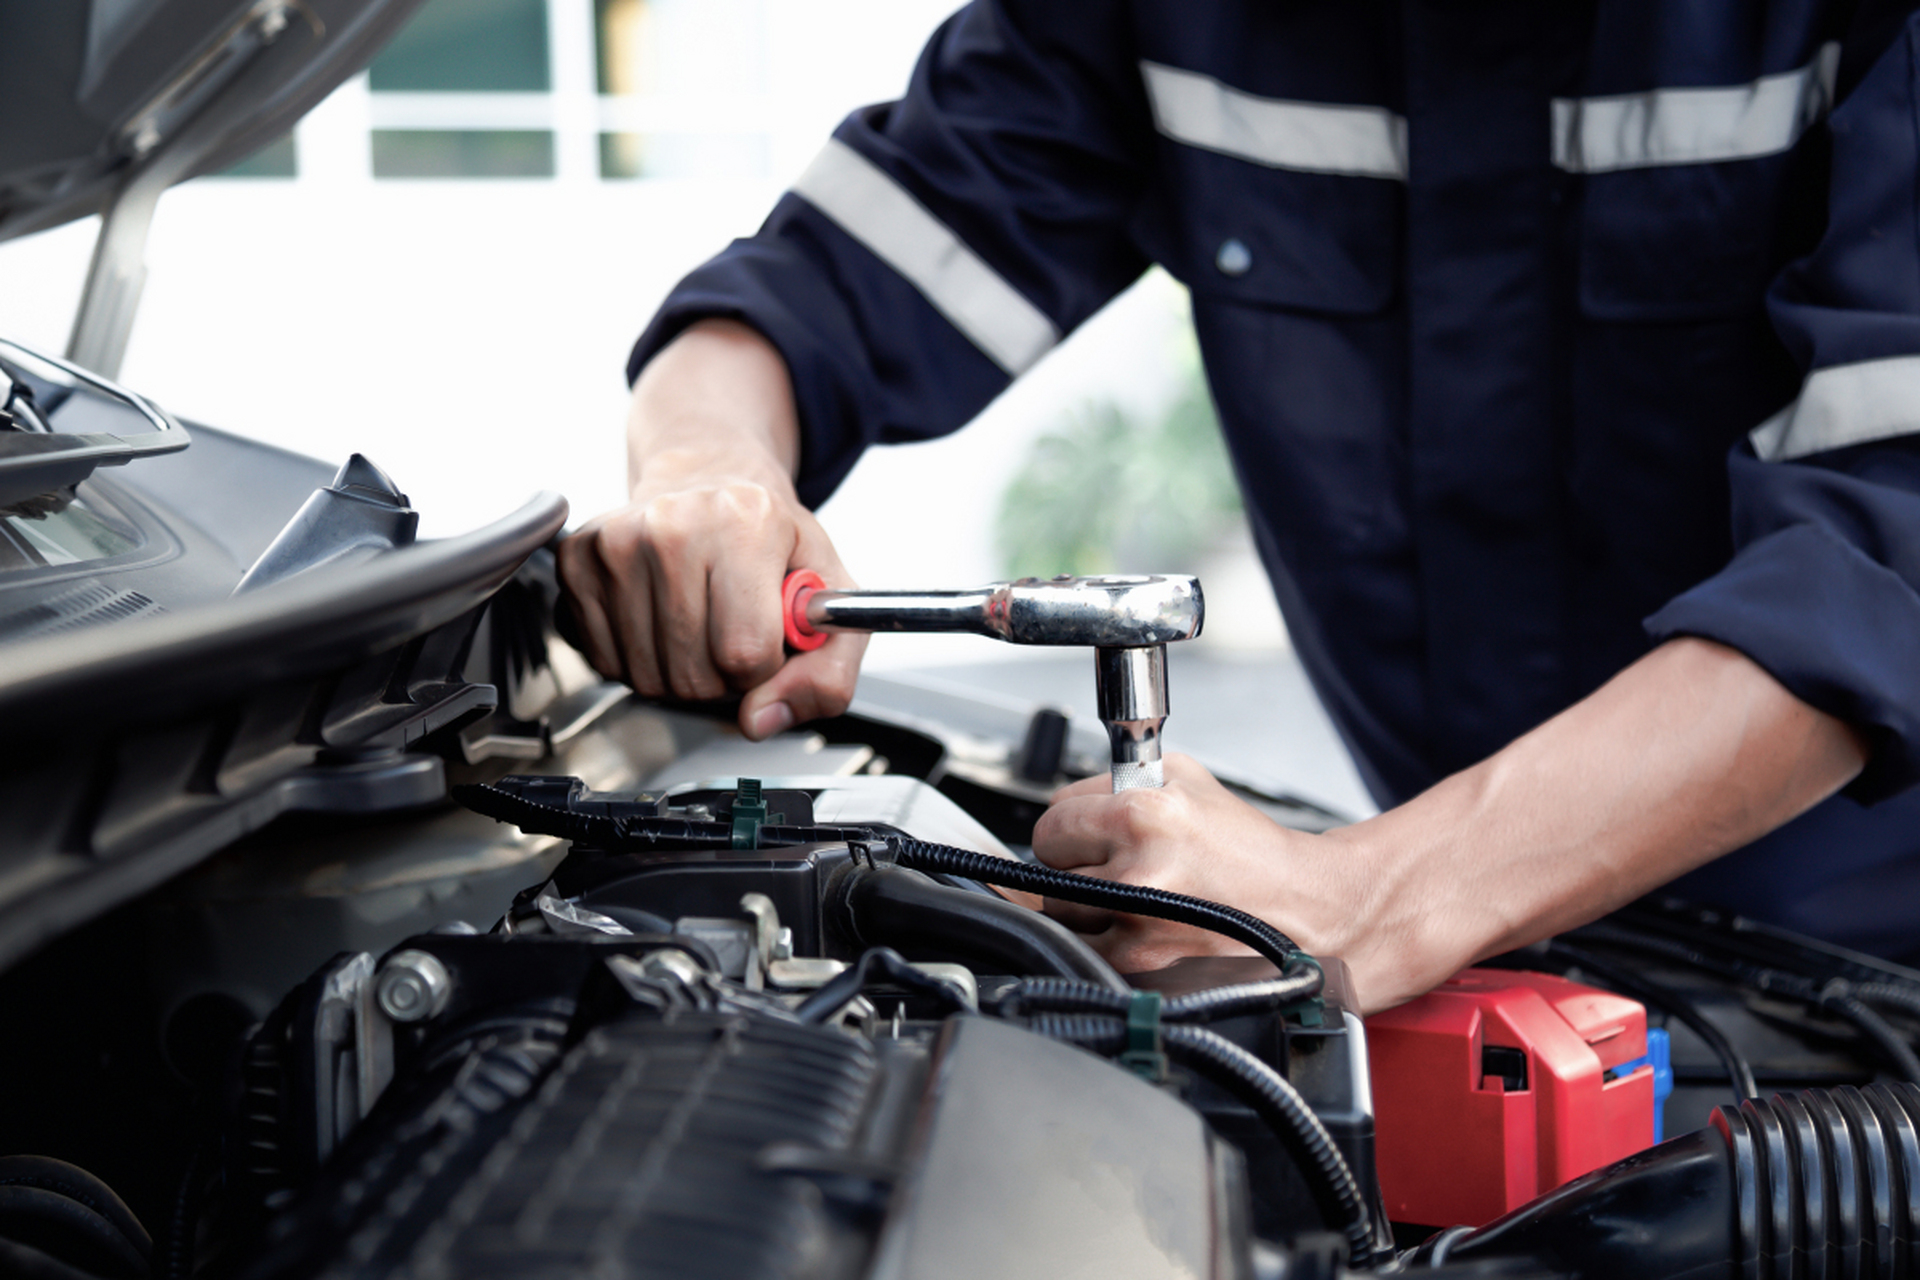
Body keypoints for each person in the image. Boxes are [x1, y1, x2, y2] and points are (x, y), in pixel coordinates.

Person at [558, 2, 1920, 1012]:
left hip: (1872, 984)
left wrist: (1365, 897)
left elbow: (1882, 560)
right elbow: (822, 287)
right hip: (1483, 969)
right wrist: (707, 471)